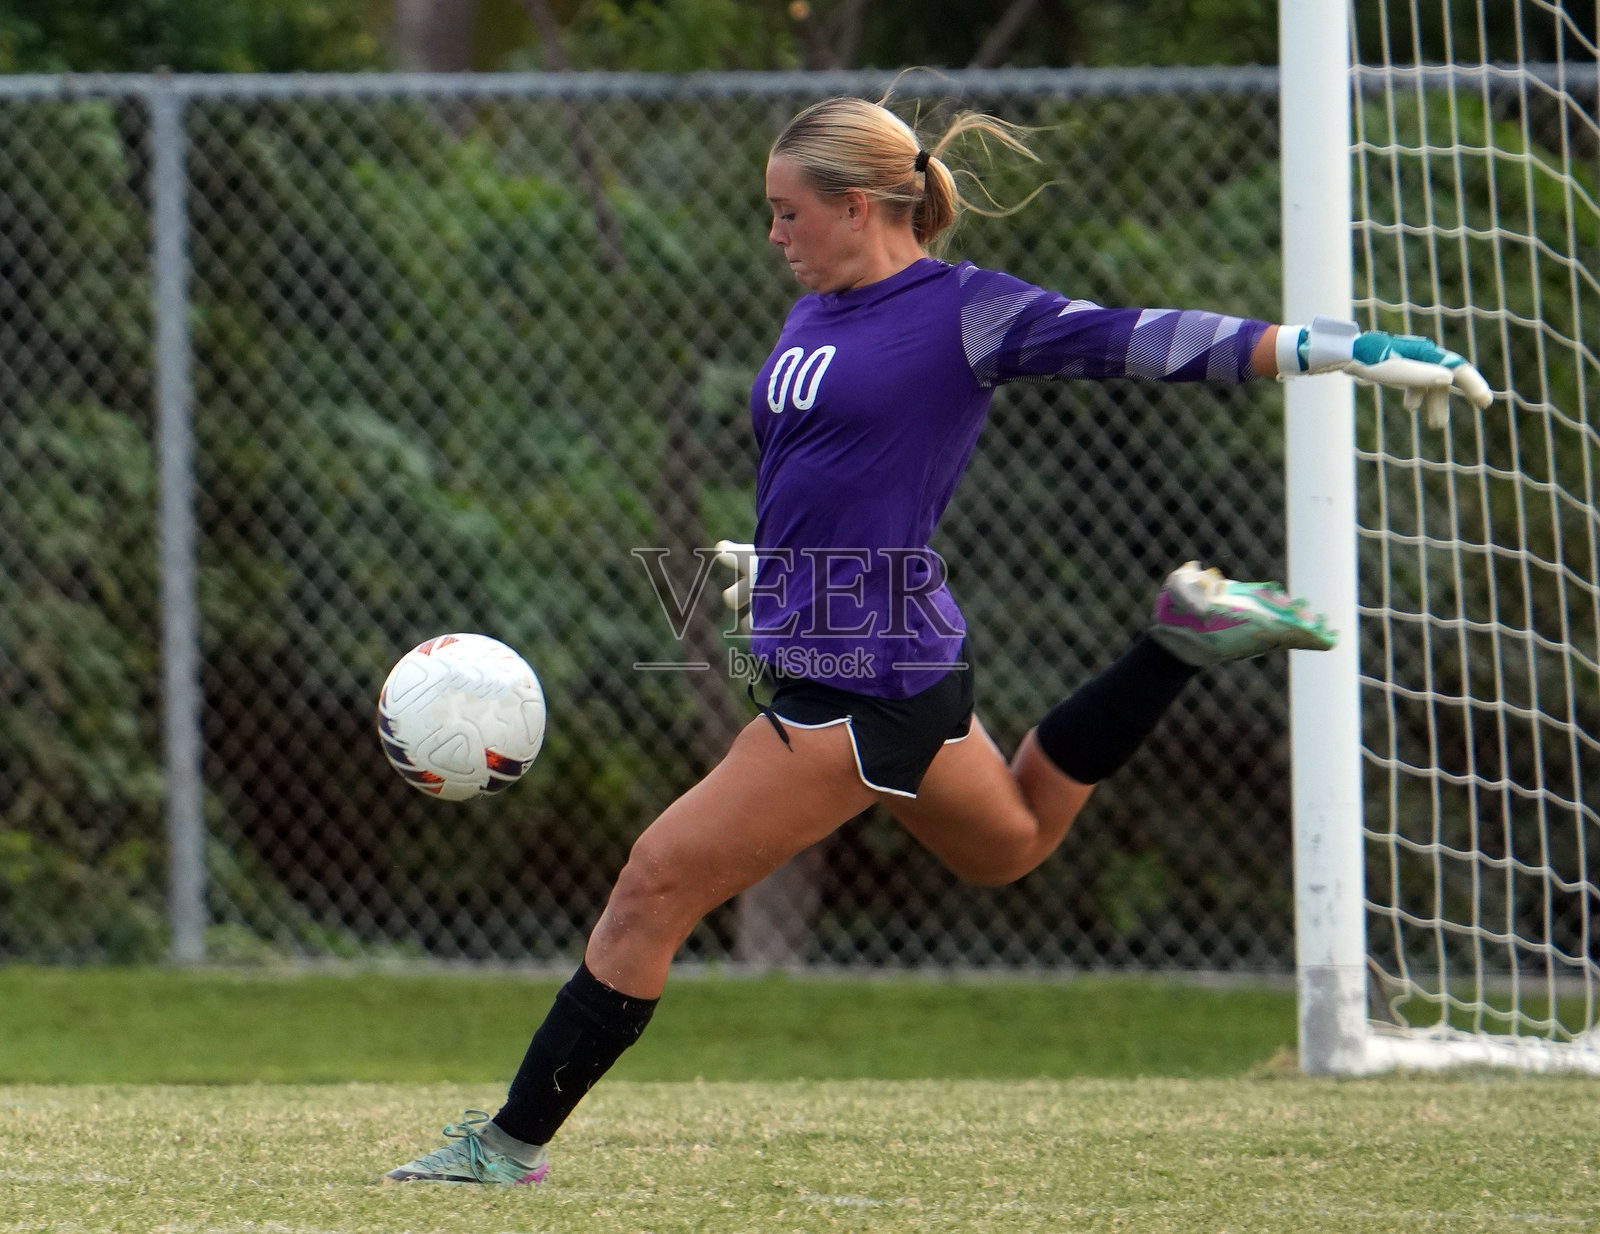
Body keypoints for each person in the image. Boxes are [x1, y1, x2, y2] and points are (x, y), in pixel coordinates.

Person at [384, 96, 1491, 1186]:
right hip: (883, 657)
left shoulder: (966, 313)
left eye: (786, 211)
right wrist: (780, 570)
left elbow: (1139, 340)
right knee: (1010, 841)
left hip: (861, 683)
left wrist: (1325, 347)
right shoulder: (814, 311)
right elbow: (833, 473)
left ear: (858, 205)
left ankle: (507, 1147)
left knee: (651, 886)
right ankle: (1179, 641)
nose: (772, 233)